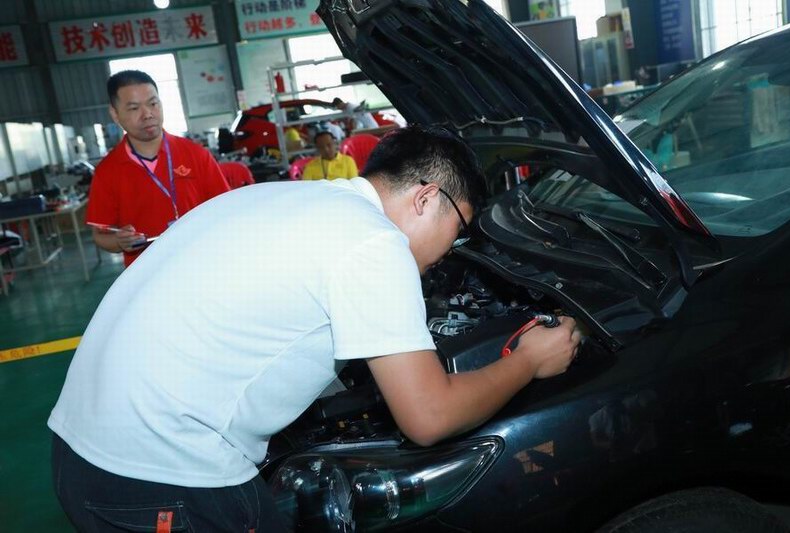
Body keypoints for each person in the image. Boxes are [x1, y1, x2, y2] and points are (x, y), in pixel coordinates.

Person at [48, 125, 581, 532]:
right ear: (426, 199)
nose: (449, 252)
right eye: (458, 230)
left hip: (83, 450)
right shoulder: (371, 242)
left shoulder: (287, 197)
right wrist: (529, 360)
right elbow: (429, 417)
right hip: (160, 475)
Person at [87, 70, 230, 266]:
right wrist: (119, 241)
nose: (147, 114)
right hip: (148, 274)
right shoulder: (107, 171)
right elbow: (100, 235)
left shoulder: (196, 154)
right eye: (134, 108)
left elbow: (226, 209)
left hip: (205, 264)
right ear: (115, 114)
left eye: (153, 104)